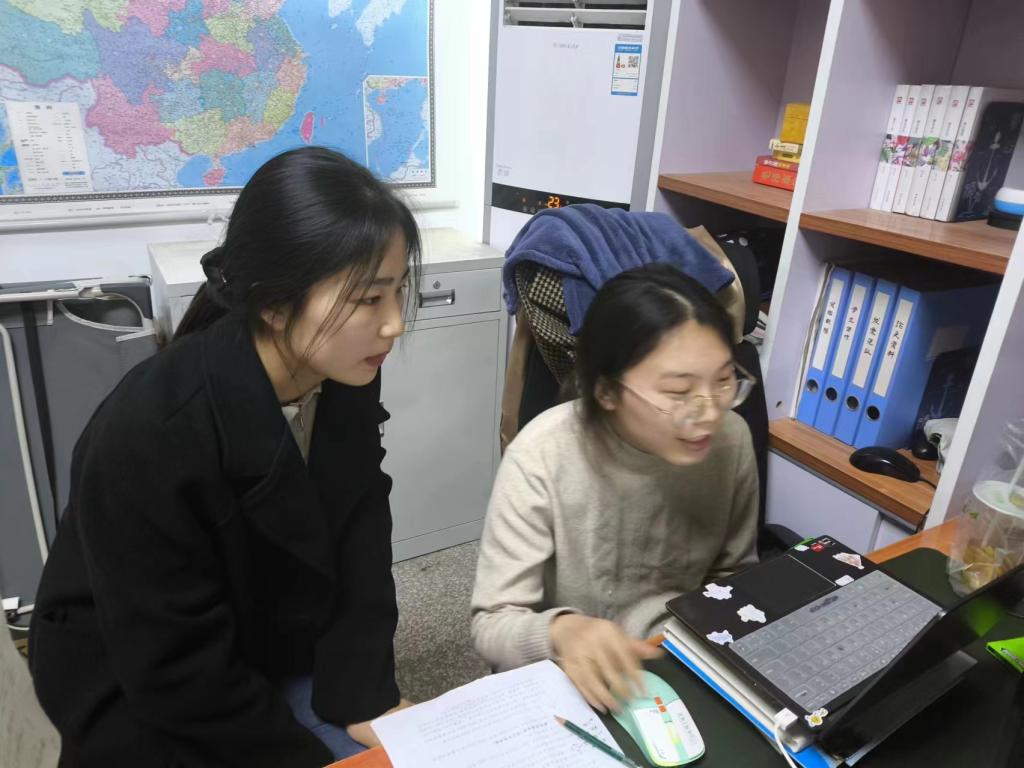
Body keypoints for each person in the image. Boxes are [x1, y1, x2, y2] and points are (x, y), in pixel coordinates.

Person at [29, 147, 420, 767]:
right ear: (275, 304)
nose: (394, 323)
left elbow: (361, 533)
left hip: (257, 636)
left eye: (397, 291)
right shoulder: (152, 432)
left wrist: (365, 696)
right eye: (370, 299)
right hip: (138, 683)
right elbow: (172, 668)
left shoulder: (341, 369)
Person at [471, 264, 760, 713]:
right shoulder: (543, 454)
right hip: (567, 671)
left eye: (724, 381)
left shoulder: (731, 439)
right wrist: (561, 632)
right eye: (678, 392)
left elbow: (733, 576)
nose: (708, 412)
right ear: (606, 391)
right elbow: (492, 623)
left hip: (676, 661)